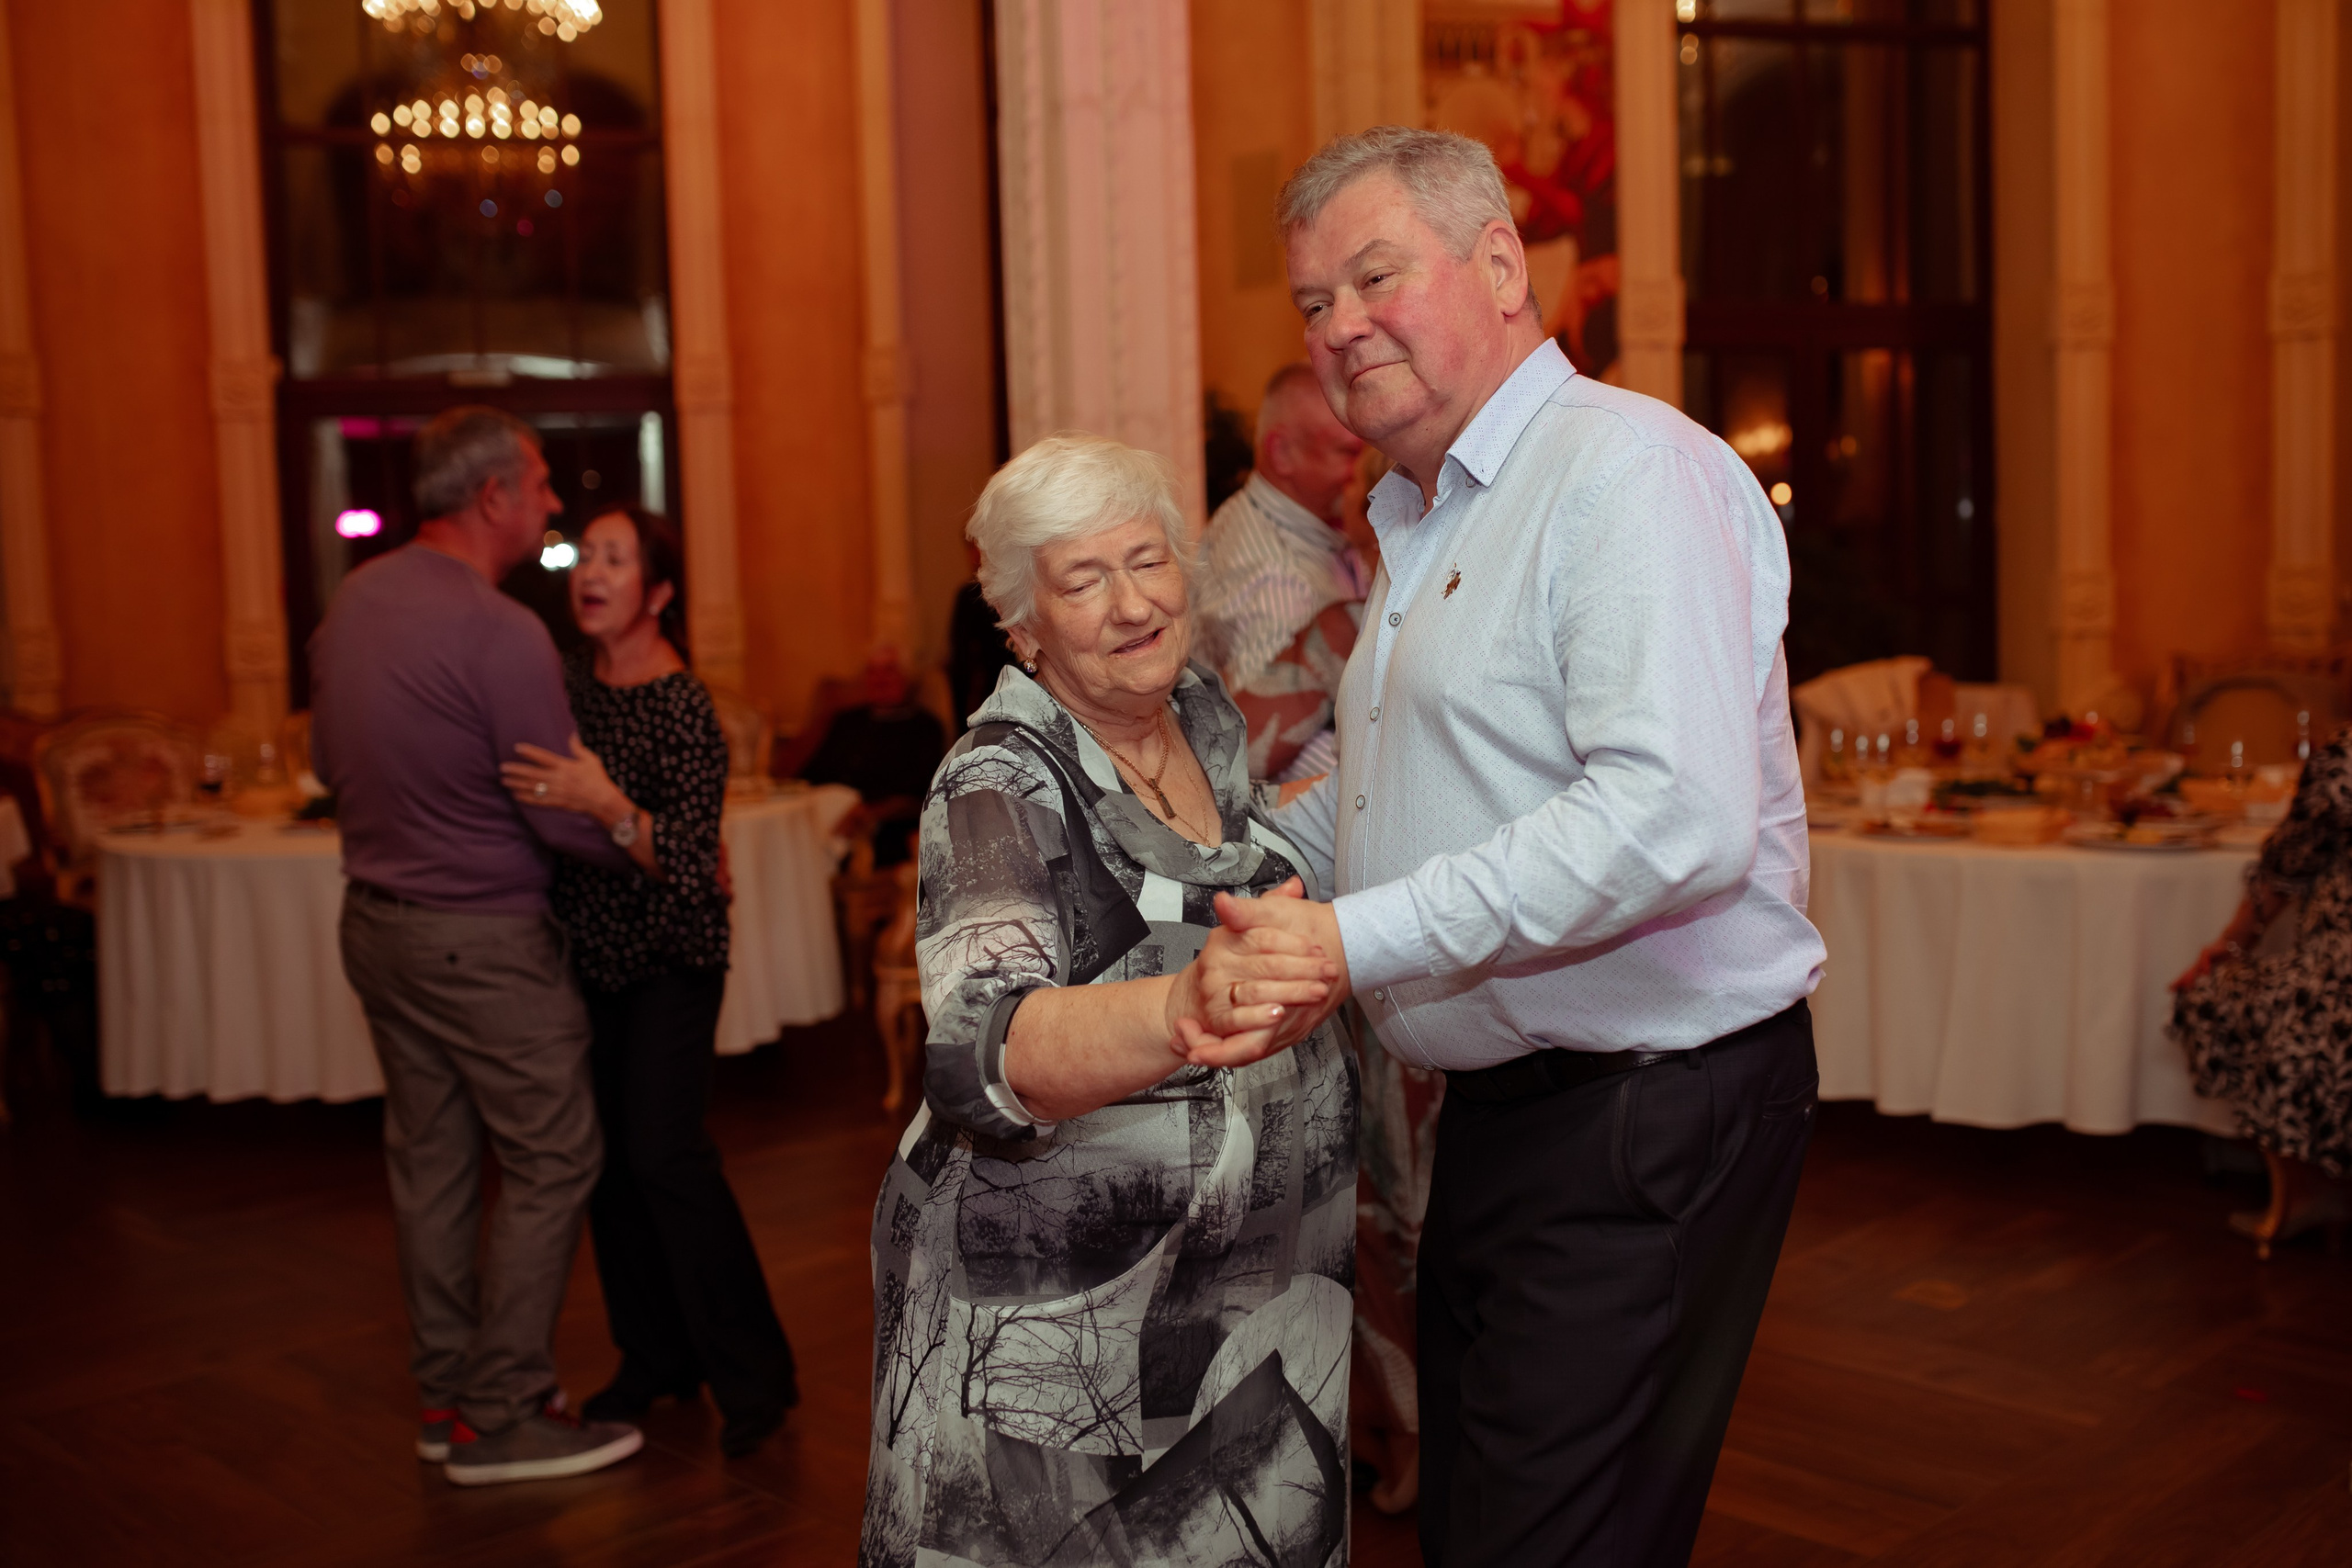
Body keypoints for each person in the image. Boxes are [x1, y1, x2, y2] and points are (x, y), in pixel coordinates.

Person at [1191, 128, 1828, 1567]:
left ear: (1496, 266)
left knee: (1550, 1538)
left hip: (1646, 1108)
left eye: (1372, 276)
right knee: (1483, 1523)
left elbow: (1674, 815)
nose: (1339, 324)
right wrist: (1202, 871)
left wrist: (1350, 942)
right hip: (1509, 1109)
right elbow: (1388, 784)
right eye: (1311, 302)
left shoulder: (1621, 473)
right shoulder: (1422, 512)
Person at [858, 434, 1358, 1568]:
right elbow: (987, 1047)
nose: (1131, 603)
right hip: (1072, 1344)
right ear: (1024, 626)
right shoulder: (1000, 782)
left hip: (1253, 1304)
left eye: (1148, 561)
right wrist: (1181, 1006)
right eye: (1084, 580)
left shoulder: (1203, 717)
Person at [311, 406, 646, 1486]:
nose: (553, 502)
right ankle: (503, 1413)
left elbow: (327, 762)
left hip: (376, 926)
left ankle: (448, 1399)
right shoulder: (499, 631)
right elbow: (554, 815)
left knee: (435, 1163)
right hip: (481, 938)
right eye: (542, 483)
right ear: (494, 495)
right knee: (555, 1157)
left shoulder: (352, 603)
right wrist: (636, 834)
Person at [497, 503, 800, 1458]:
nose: (591, 572)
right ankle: (654, 1360)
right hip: (585, 953)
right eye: (586, 555)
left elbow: (684, 851)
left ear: (658, 593)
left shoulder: (681, 703)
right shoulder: (567, 683)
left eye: (616, 561)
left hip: (671, 954)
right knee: (608, 1168)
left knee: (665, 1155)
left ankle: (757, 1376)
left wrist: (606, 806)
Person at [2172, 730, 2352, 1249]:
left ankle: (2309, 1191)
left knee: (2220, 992)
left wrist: (2228, 947)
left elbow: (2287, 868)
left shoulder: (2344, 761)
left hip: (2338, 986)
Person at [1195, 362, 1372, 782]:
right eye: (1348, 453)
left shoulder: (1300, 527)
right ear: (1282, 453)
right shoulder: (1276, 577)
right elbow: (1265, 756)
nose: (1361, 477)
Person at [784, 646, 944, 867]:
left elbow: (920, 785)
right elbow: (811, 773)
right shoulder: (846, 720)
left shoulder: (924, 727)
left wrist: (867, 810)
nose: (880, 679)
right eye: (872, 671)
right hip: (825, 806)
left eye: (888, 670)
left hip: (880, 820)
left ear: (905, 677)